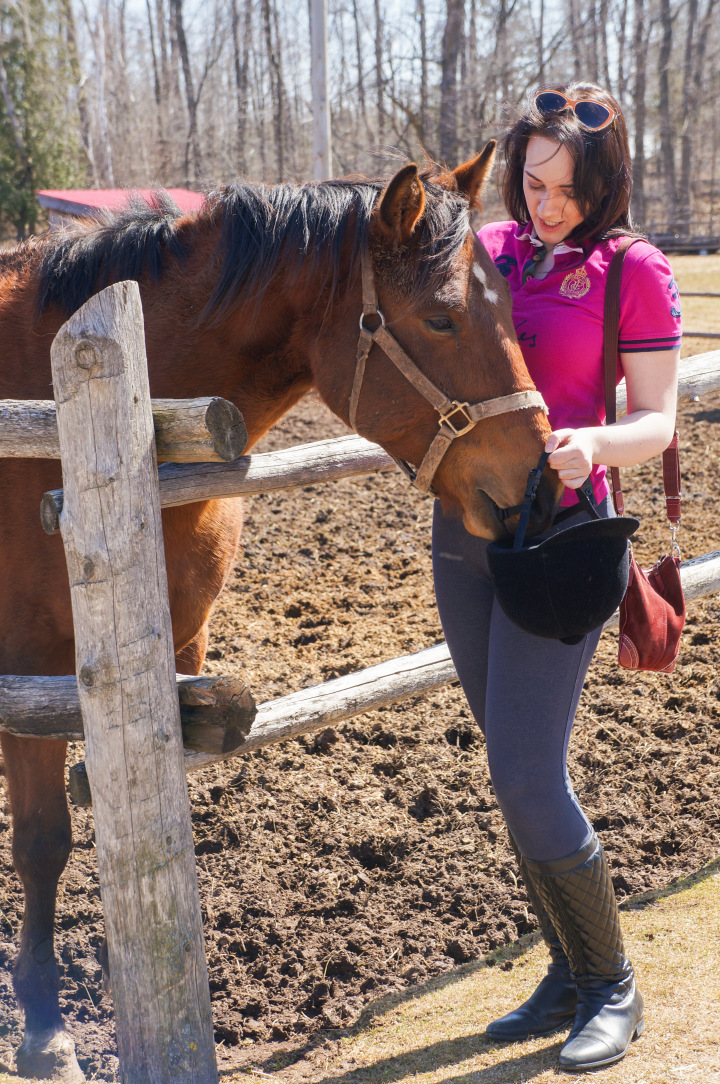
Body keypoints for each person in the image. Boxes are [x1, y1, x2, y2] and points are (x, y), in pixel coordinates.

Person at [432, 83, 681, 1071]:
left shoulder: (633, 270)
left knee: (529, 773)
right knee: (511, 770)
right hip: (465, 536)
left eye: (569, 190)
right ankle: (568, 971)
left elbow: (657, 419)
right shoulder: (486, 251)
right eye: (534, 183)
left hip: (565, 539)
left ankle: (611, 983)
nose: (547, 205)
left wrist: (595, 443)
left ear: (604, 185)